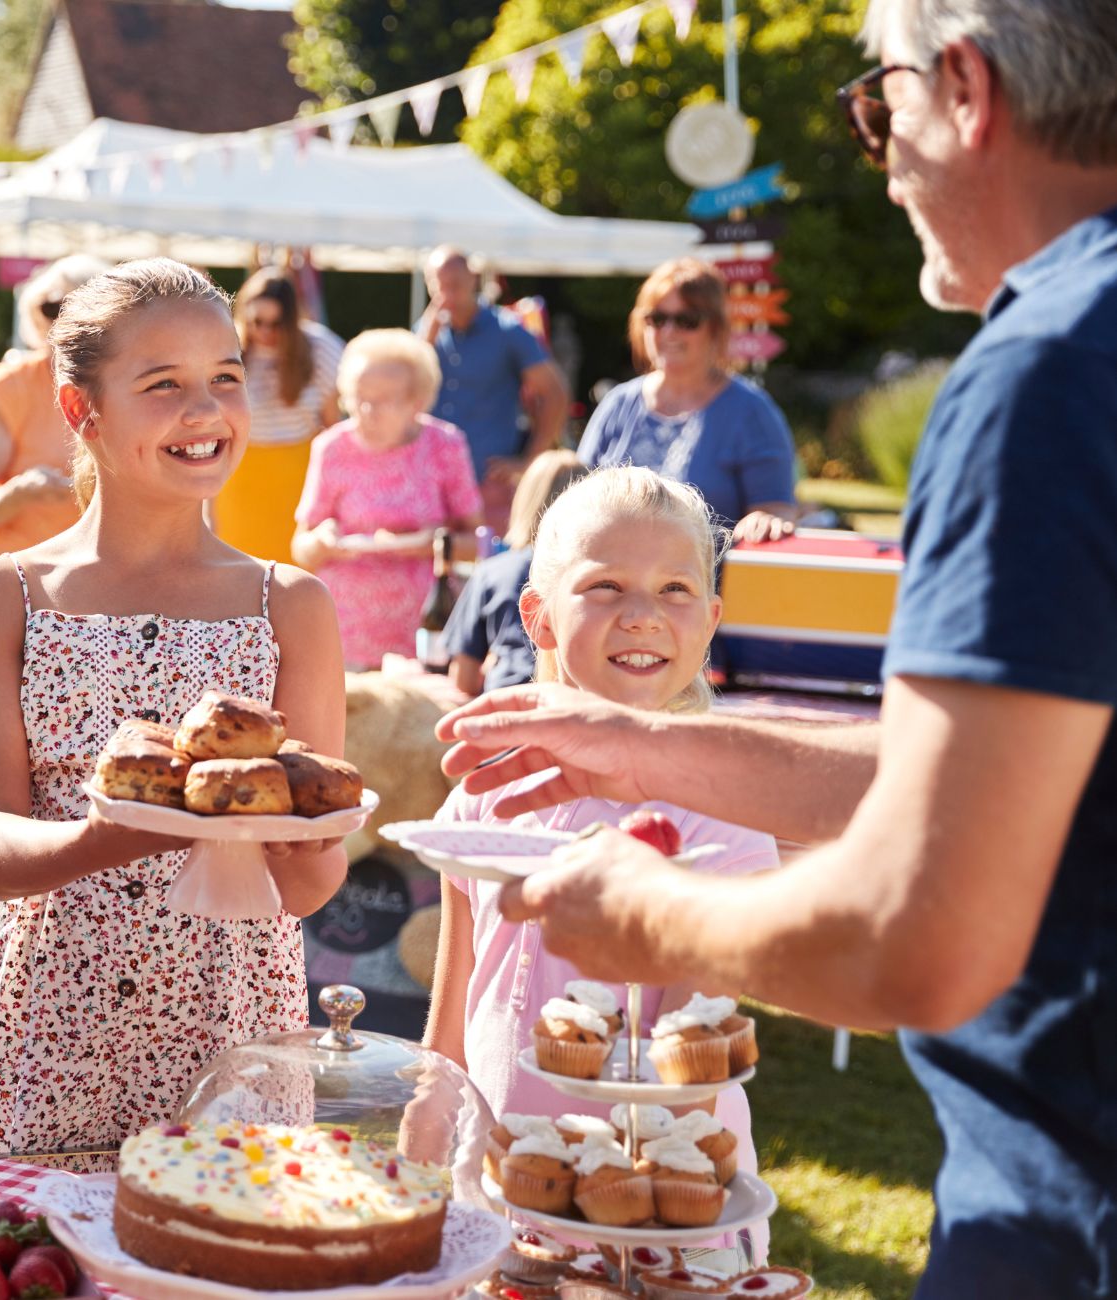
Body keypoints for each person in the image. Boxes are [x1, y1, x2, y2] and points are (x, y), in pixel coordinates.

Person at [435, 1, 1117, 1289]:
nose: (880, 153)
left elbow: (916, 936)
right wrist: (642, 748)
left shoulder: (1045, 368)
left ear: (961, 89)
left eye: (878, 107)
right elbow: (987, 768)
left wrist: (651, 912)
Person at [0, 258, 349, 1154]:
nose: (204, 412)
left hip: (232, 1048)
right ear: (81, 411)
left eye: (225, 380)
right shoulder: (1, 597)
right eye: (163, 386)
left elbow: (312, 884)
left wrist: (308, 841)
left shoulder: (292, 606)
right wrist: (107, 839)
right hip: (47, 1042)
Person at [424, 467, 776, 1257]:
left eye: (676, 589)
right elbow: (453, 1009)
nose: (644, 615)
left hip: (657, 1198)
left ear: (712, 618)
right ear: (539, 619)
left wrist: (637, 1218)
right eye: (607, 586)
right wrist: (428, 1131)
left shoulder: (724, 808)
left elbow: (699, 1041)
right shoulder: (491, 795)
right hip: (498, 1177)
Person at [291, 328, 484, 669]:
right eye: (356, 397)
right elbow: (301, 548)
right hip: (344, 635)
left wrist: (435, 544)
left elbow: (478, 543)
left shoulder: (446, 446)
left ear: (417, 402)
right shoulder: (332, 447)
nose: (366, 410)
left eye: (382, 400)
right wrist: (322, 541)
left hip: (425, 634)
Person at [577, 259, 800, 543]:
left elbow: (775, 510)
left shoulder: (752, 413)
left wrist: (766, 519)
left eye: (686, 320)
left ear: (716, 328)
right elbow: (575, 500)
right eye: (657, 318)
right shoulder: (618, 404)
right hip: (612, 583)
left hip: (708, 585)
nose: (669, 332)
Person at [0, 255, 109, 553]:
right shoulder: (12, 386)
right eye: (52, 308)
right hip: (18, 581)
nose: (61, 321)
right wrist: (16, 495)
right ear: (35, 314)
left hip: (104, 584)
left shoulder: (131, 386)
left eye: (79, 310)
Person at [417, 246, 569, 535]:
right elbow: (406, 393)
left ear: (473, 279)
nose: (446, 295)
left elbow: (555, 393)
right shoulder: (428, 331)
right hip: (435, 486)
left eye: (454, 285)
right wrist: (427, 338)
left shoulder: (508, 330)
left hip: (491, 488)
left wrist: (529, 461)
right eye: (438, 286)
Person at [214, 267, 344, 566]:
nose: (266, 332)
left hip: (297, 473)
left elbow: (331, 423)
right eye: (257, 322)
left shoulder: (318, 348)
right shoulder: (229, 345)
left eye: (276, 324)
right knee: (241, 565)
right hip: (241, 473)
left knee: (289, 569)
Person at [441, 450, 588, 697]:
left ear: (524, 501)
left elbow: (463, 678)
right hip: (574, 701)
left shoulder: (493, 572)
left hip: (508, 702)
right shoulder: (596, 575)